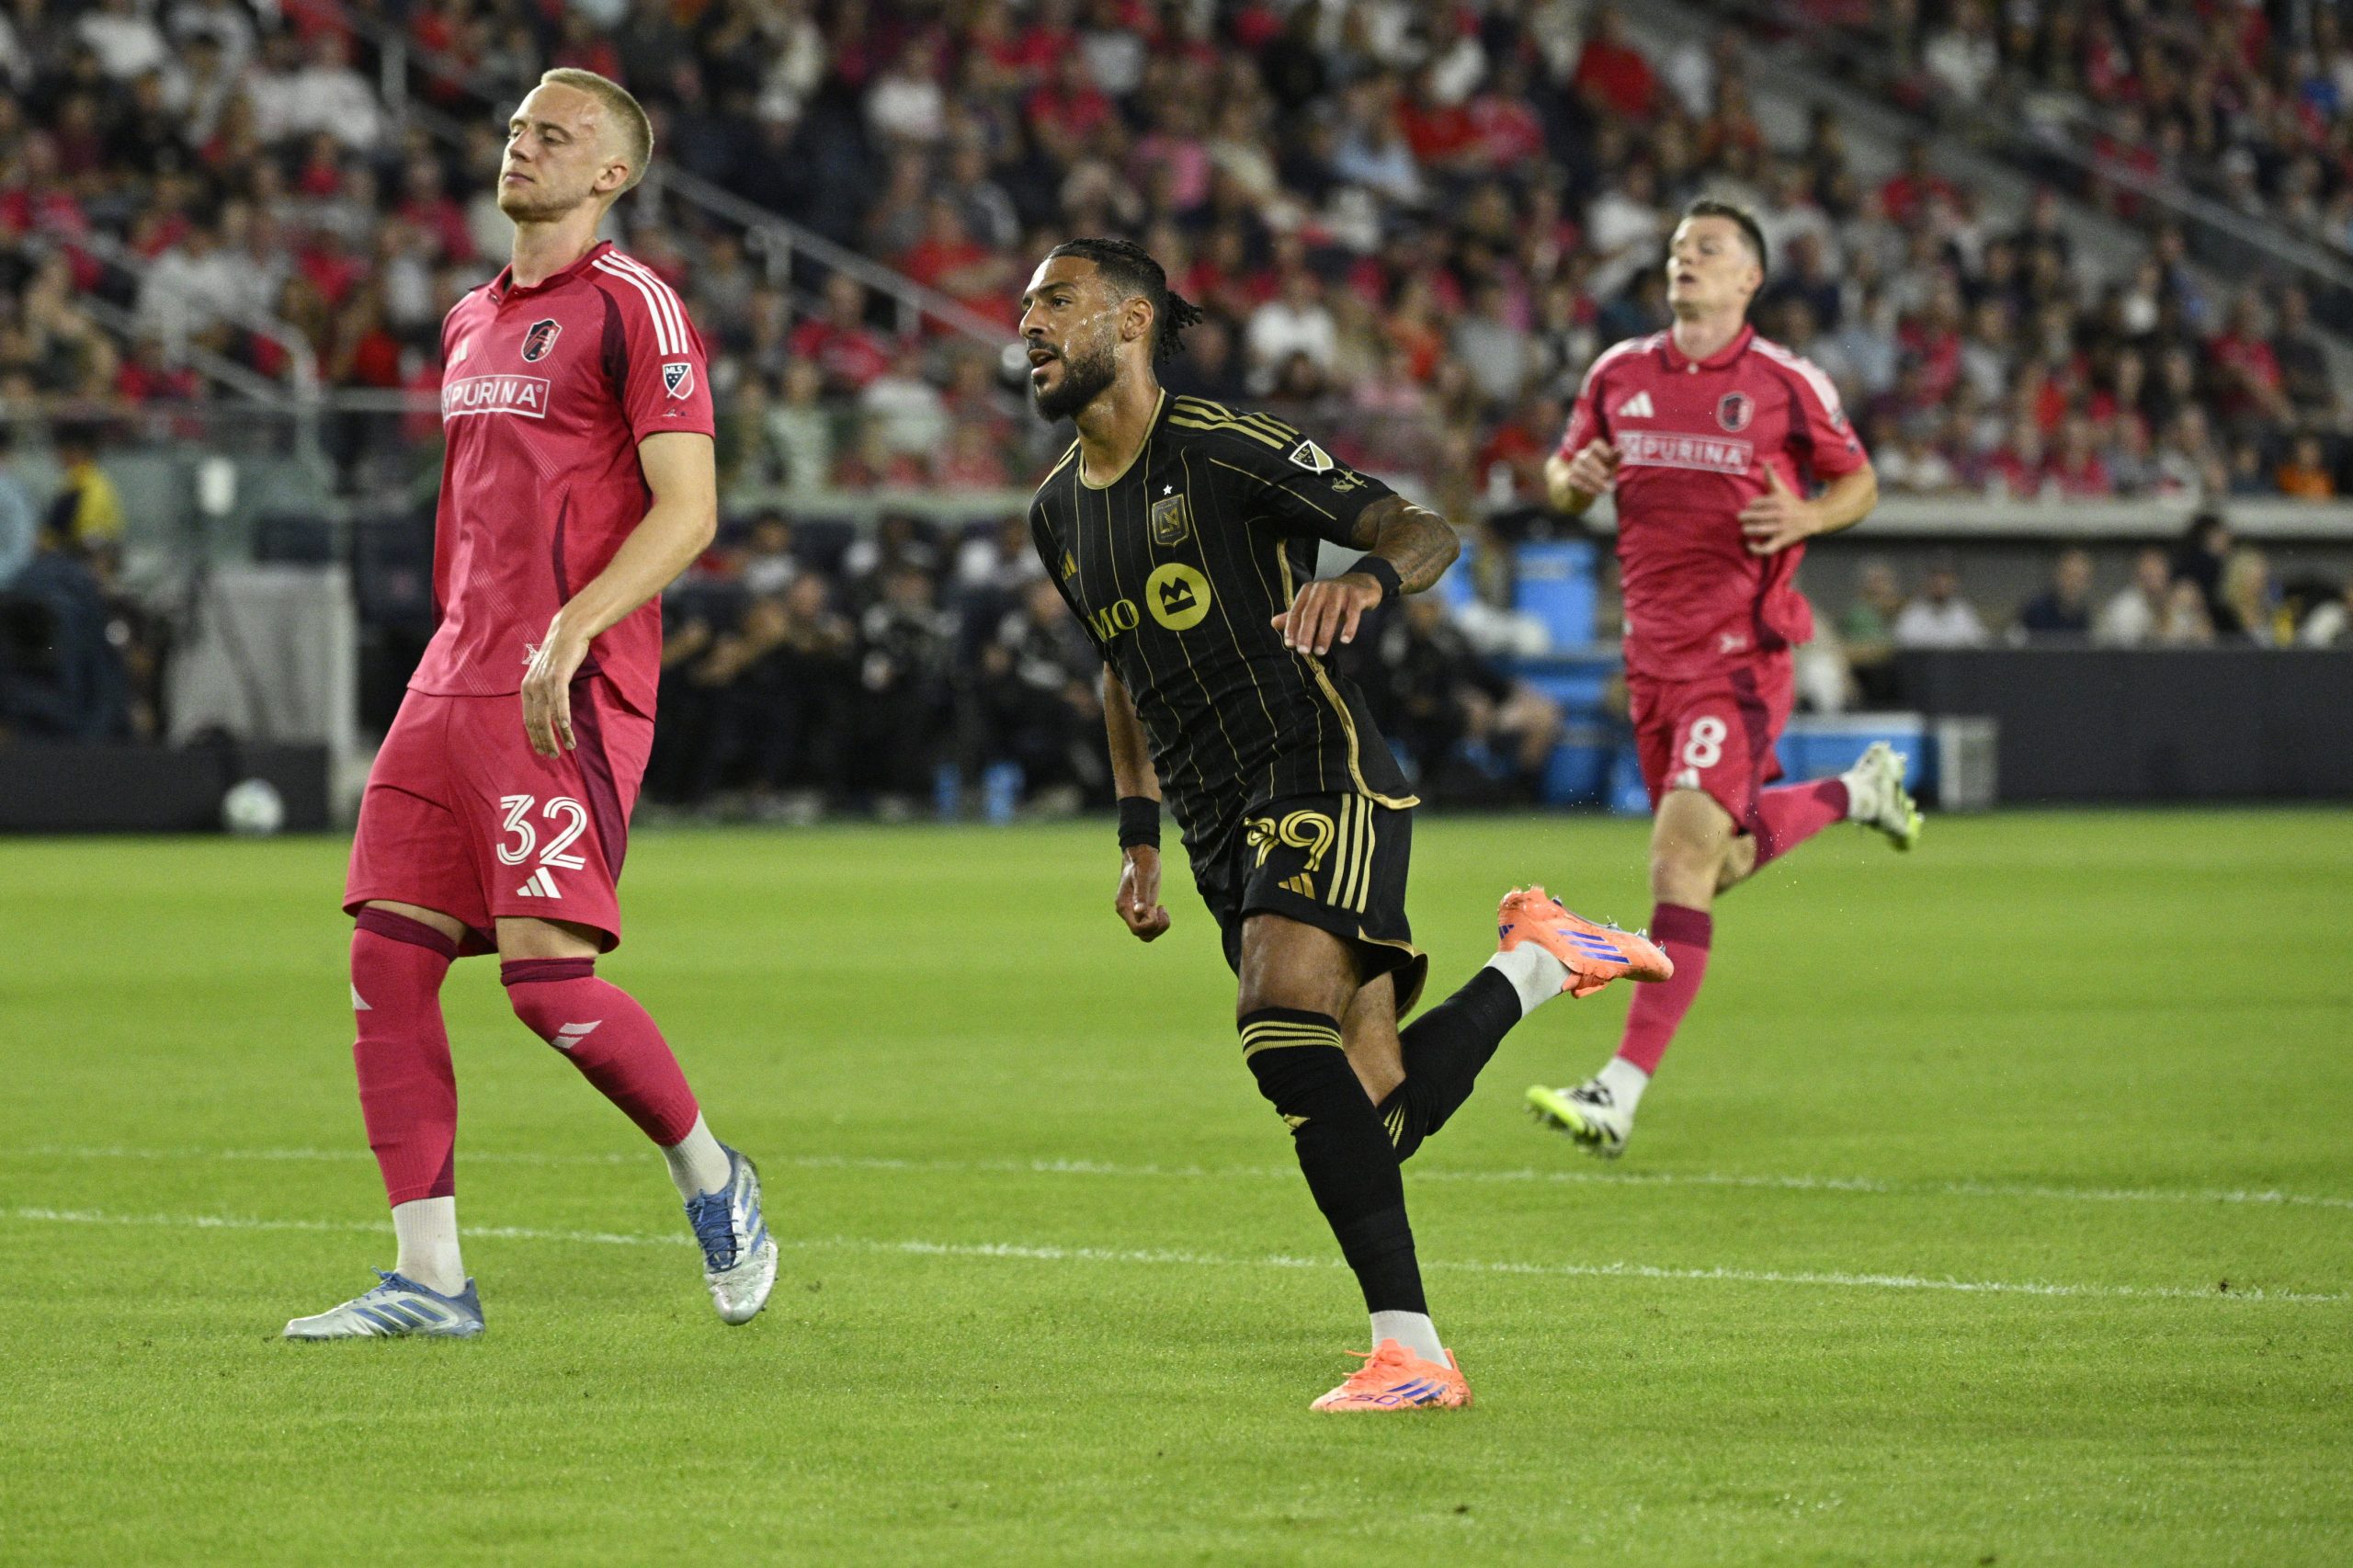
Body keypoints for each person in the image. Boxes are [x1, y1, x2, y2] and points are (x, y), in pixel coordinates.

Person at [1017, 237, 1670, 1412]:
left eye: (1054, 303)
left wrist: (1365, 582)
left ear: (1129, 323)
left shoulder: (1223, 445)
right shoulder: (1057, 510)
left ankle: (1412, 1351)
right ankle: (1534, 959)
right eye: (1023, 307)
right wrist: (1136, 834)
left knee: (1275, 1011)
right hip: (1218, 825)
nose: (1026, 325)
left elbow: (1421, 528)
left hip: (1319, 767)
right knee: (1375, 1111)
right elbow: (1119, 669)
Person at [287, 69, 775, 1342]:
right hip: (454, 676)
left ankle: (714, 1174)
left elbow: (691, 509)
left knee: (547, 986)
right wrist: (474, 636)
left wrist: (571, 628)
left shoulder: (636, 308)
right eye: (515, 128)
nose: (523, 146)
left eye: (556, 135)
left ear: (612, 172)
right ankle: (430, 1278)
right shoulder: (466, 320)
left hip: (568, 686)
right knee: (383, 959)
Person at [1533, 197, 1919, 1160]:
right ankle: (1854, 791)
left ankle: (1617, 1090)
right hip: (1650, 658)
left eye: (1708, 249)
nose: (1685, 259)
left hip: (1739, 657)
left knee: (1674, 858)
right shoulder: (1618, 372)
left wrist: (1808, 521)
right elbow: (1559, 474)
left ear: (1750, 277)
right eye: (1676, 248)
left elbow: (1859, 481)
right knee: (1718, 863)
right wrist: (1568, 481)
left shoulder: (1785, 380)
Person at [1893, 555, 1990, 648]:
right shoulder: (1912, 612)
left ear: (1955, 582)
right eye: (1935, 576)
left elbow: (1981, 647)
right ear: (1926, 580)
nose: (1940, 582)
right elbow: (1900, 647)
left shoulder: (1964, 613)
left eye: (1946, 577)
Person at [2095, 547, 2173, 646]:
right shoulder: (2124, 609)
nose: (2155, 581)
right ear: (2138, 575)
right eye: (2150, 574)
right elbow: (2130, 650)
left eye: (2159, 574)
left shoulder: (2173, 602)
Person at [2017, 547, 2094, 639]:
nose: (2073, 584)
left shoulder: (2083, 617)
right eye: (2069, 576)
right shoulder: (2035, 611)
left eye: (2079, 578)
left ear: (2088, 583)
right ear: (2057, 576)